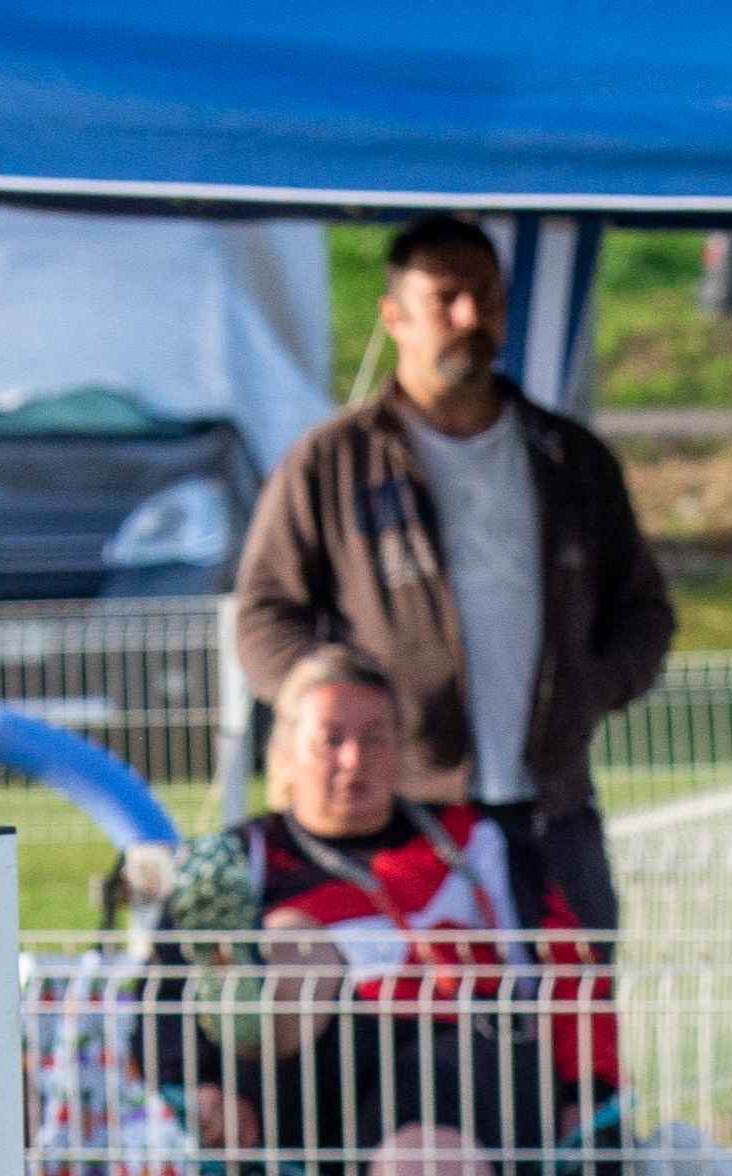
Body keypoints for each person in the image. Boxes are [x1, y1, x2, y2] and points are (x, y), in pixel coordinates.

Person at [156, 646, 618, 1176]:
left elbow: (571, 968)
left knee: (426, 1121)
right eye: (331, 737)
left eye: (375, 737)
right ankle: (245, 1025)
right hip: (310, 1095)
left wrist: (589, 1081)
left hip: (479, 1067)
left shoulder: (477, 842)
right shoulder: (240, 862)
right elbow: (156, 995)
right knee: (294, 944)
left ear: (402, 750)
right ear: (284, 751)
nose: (354, 758)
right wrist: (197, 1084)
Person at [234, 215, 674, 936]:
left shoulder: (569, 459)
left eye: (488, 297)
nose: (471, 317)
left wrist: (592, 688)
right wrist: (332, 713)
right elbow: (263, 617)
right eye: (447, 299)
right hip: (403, 817)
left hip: (552, 808)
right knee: (425, 1032)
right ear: (395, 316)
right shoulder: (334, 462)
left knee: (574, 1019)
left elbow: (644, 610)